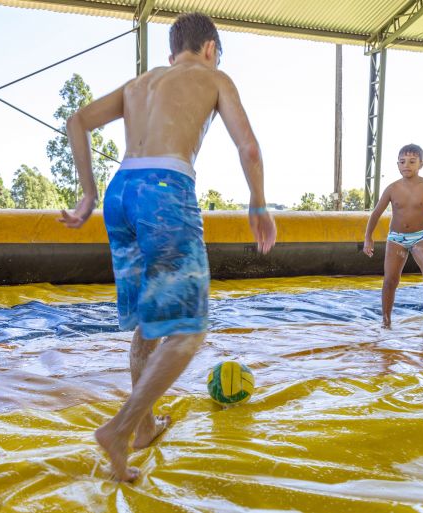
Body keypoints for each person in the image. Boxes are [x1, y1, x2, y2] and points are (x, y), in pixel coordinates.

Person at [59, 12, 276, 481]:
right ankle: (120, 428)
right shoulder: (214, 76)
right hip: (163, 189)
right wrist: (258, 202)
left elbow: (76, 121)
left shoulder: (143, 82)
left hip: (120, 191)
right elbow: (250, 149)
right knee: (189, 330)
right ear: (211, 48)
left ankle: (145, 427)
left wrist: (88, 192)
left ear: (170, 52)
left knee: (149, 323)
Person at [363, 143, 423, 338]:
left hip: (421, 237)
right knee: (390, 280)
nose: (406, 165)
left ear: (421, 164)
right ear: (397, 164)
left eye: (412, 161)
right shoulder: (392, 188)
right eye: (402, 161)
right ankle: (386, 322)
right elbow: (376, 213)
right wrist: (368, 238)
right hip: (396, 239)